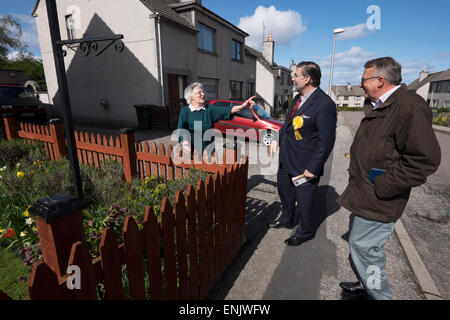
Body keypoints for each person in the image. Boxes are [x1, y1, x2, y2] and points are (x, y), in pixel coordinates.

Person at [337, 57, 441, 300]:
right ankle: (365, 283)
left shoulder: (409, 107)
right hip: (364, 194)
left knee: (365, 251)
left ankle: (379, 295)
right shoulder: (382, 103)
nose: (361, 85)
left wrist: (382, 184)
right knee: (359, 248)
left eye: (364, 80)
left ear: (380, 80)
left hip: (379, 198)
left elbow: (424, 160)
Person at [268, 61, 337, 246]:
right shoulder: (297, 98)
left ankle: (305, 231)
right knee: (285, 194)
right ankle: (287, 219)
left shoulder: (324, 104)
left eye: (296, 75)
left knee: (304, 203)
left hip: (305, 166)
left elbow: (326, 141)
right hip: (286, 160)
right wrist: (276, 138)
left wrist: (313, 168)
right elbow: (287, 125)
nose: (292, 78)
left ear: (307, 79)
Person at [177, 82, 255, 157]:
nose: (203, 94)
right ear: (191, 97)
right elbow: (181, 131)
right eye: (199, 92)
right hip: (191, 155)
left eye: (203, 92)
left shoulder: (209, 110)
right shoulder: (185, 111)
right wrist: (184, 142)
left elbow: (228, 110)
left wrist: (243, 106)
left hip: (208, 155)